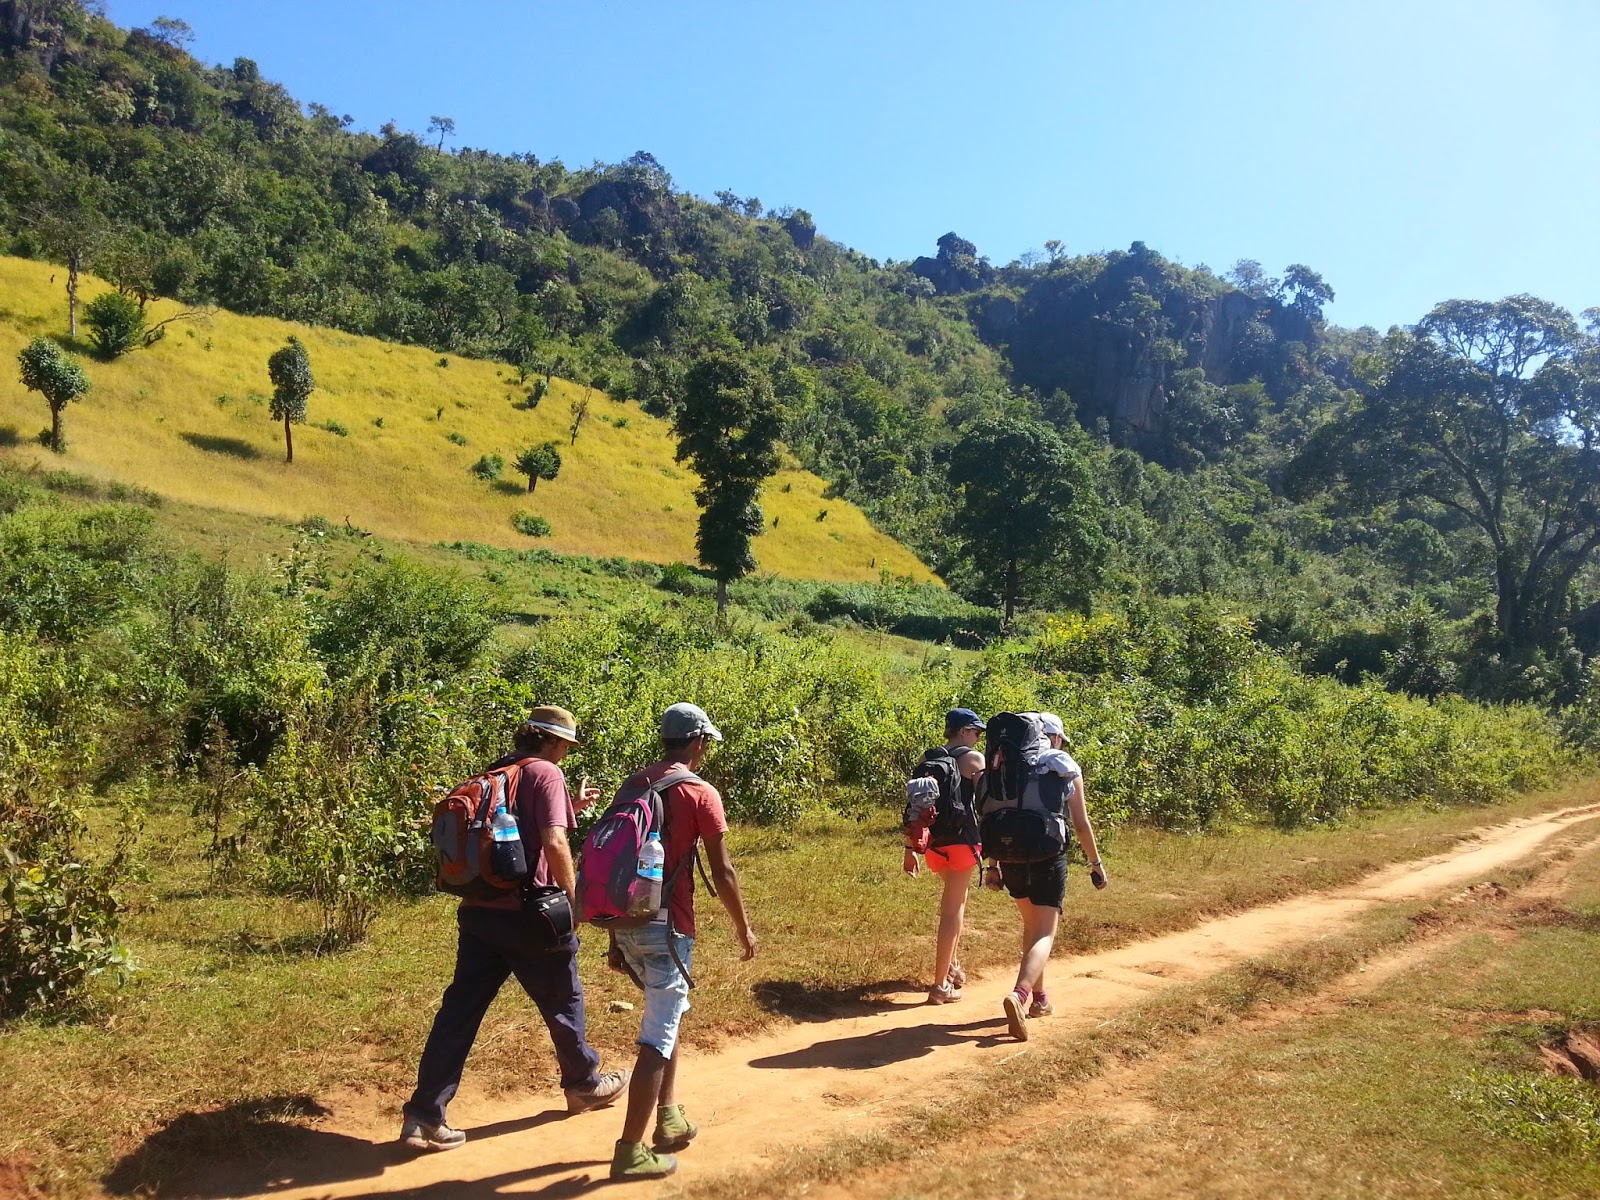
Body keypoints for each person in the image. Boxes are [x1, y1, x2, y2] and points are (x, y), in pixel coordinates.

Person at [400, 706, 630, 1152]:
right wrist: (577, 899)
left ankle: (423, 1116)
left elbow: (509, 832)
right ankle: (583, 1083)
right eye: (565, 745)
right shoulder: (546, 772)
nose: (566, 753)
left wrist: (572, 807)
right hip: (531, 914)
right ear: (552, 741)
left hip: (479, 913)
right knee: (563, 999)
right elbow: (554, 841)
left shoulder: (496, 771)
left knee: (459, 1013)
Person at [606, 702, 758, 1181]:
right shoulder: (699, 792)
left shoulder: (634, 783)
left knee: (667, 1016)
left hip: (625, 921)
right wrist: (743, 927)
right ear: (697, 742)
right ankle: (630, 1150)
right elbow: (722, 870)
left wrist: (614, 937)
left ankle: (669, 1114)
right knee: (657, 1036)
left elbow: (612, 861)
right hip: (669, 927)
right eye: (706, 742)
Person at [987, 711, 1106, 1042]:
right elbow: (1080, 824)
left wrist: (993, 865)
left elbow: (995, 813)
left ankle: (1040, 999)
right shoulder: (1061, 765)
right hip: (1048, 857)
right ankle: (1021, 994)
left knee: (1032, 927)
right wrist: (1095, 864)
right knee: (1045, 933)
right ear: (1053, 737)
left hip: (1009, 857)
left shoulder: (1004, 767)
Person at [902, 707, 987, 1003]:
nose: (978, 738)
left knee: (958, 902)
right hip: (963, 844)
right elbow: (985, 803)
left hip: (934, 846)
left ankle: (952, 966)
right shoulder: (974, 760)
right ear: (963, 731)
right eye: (976, 732)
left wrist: (910, 849)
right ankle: (940, 986)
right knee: (952, 911)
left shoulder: (927, 759)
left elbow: (916, 807)